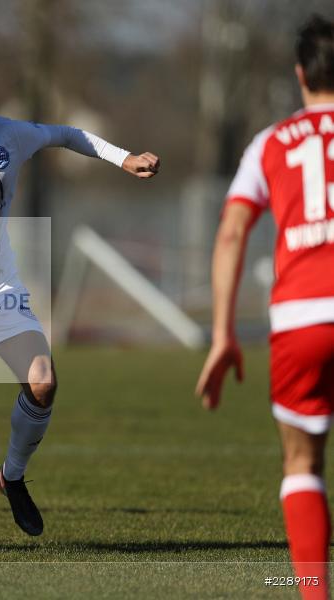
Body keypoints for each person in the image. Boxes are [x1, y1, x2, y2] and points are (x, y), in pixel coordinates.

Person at [0, 51, 160, 540]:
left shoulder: (9, 135)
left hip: (0, 286)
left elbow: (68, 134)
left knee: (42, 382)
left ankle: (11, 477)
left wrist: (123, 158)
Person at [196, 15, 334, 600]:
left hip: (301, 318)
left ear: (300, 74)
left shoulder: (271, 142)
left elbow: (231, 233)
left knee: (302, 464)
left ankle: (314, 592)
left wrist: (223, 333)